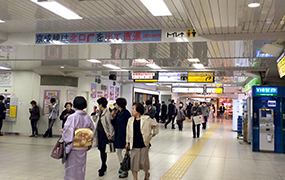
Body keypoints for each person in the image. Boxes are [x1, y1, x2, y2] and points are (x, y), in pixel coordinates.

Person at [62, 96, 95, 180]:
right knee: (81, 169)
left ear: (74, 105)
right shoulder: (87, 117)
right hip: (83, 147)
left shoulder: (72, 117)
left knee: (71, 169)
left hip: (73, 147)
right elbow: (92, 132)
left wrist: (64, 133)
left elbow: (68, 133)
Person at [126, 102, 159, 180]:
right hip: (134, 144)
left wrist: (152, 134)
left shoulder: (146, 119)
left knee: (144, 162)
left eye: (133, 109)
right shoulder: (130, 120)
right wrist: (127, 142)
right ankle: (135, 178)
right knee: (134, 163)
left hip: (144, 144)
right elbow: (128, 132)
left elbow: (156, 124)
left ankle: (146, 174)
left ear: (138, 110)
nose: (132, 110)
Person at [93, 97, 114, 177]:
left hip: (105, 135)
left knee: (103, 150)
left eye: (99, 104)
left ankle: (103, 165)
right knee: (101, 150)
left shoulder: (107, 113)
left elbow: (109, 125)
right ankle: (103, 165)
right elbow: (95, 120)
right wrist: (94, 112)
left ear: (101, 104)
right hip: (99, 134)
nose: (98, 105)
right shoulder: (100, 112)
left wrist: (110, 135)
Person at [111, 98, 131, 178]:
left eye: (116, 104)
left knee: (123, 153)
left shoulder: (126, 114)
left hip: (124, 136)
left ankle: (125, 170)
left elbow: (129, 127)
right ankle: (122, 166)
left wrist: (128, 140)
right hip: (118, 135)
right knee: (118, 151)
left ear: (119, 105)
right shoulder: (118, 113)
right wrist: (112, 117)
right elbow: (114, 123)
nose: (115, 105)